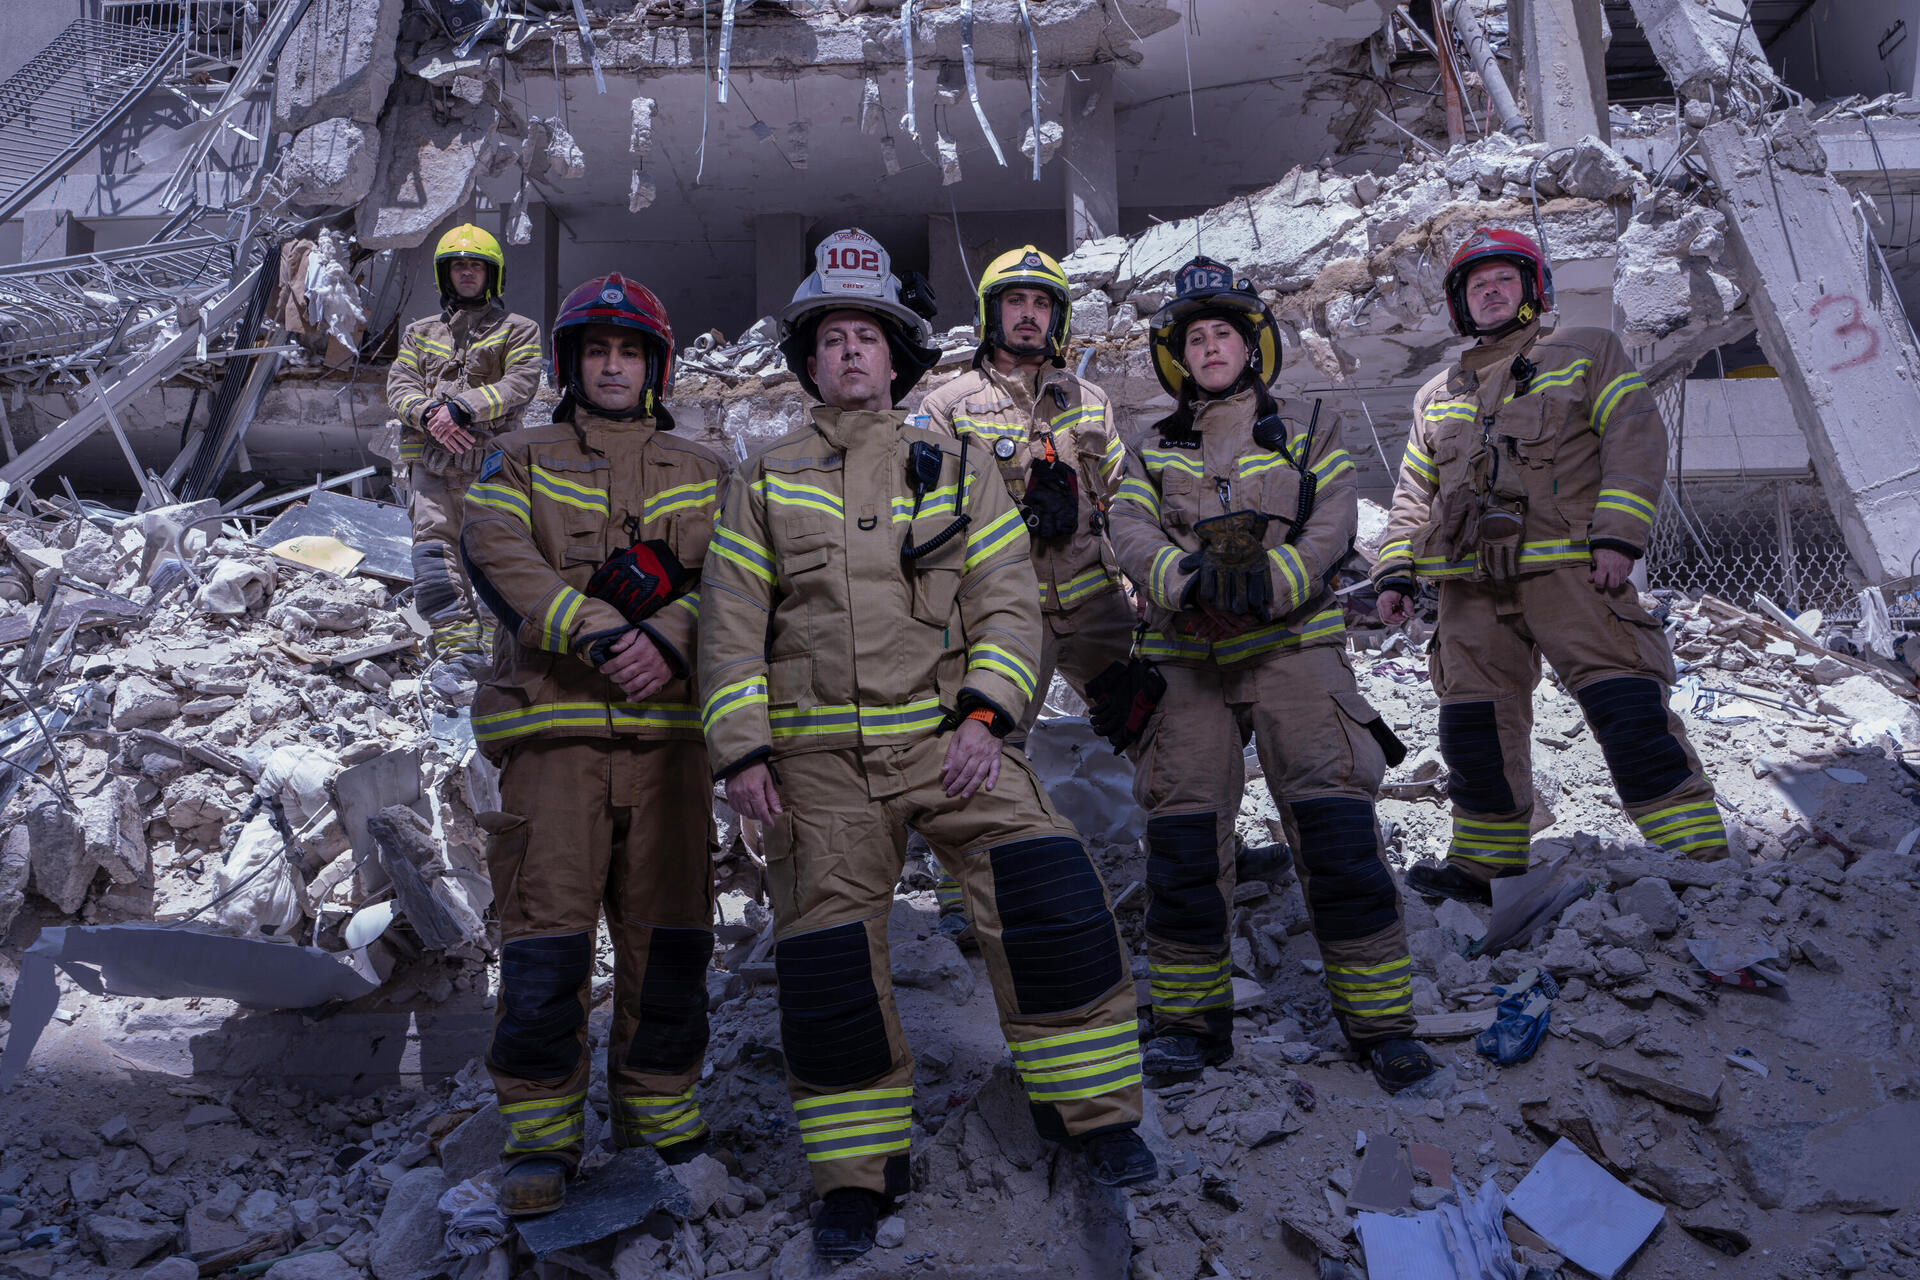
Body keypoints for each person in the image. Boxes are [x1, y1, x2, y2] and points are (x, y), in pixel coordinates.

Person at [698, 229, 1153, 1260]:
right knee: (826, 968)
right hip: (817, 769)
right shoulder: (761, 480)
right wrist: (744, 754)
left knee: (1048, 892)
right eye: (833, 337)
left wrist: (990, 715)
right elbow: (730, 626)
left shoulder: (957, 465)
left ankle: (1096, 1118)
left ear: (898, 359)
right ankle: (858, 1178)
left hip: (952, 746)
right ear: (808, 359)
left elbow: (1005, 598)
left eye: (869, 336)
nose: (852, 352)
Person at [1107, 255, 1434, 1092]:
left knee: (1335, 833)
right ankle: (1187, 1024)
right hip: (1186, 660)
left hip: (1295, 652)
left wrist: (1276, 581)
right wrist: (1182, 583)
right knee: (1182, 844)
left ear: (1252, 347)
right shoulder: (1150, 446)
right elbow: (1131, 531)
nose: (1211, 347)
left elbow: (1334, 519)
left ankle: (1381, 1025)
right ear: (1179, 358)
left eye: (1223, 333)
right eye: (1196, 337)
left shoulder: (1311, 429)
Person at [460, 274, 727, 1216]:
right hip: (554, 737)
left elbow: (742, 578)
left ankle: (659, 1109)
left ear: (654, 365)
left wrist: (670, 636)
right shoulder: (515, 457)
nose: (613, 367)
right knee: (546, 942)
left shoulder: (706, 469)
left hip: (672, 745)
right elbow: (497, 552)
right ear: (571, 364)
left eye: (631, 351)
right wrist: (599, 629)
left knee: (673, 938)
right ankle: (541, 1135)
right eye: (596, 351)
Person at [1371, 228, 1729, 906]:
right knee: (1474, 727)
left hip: (1572, 573)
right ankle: (1484, 866)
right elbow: (1414, 495)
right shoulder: (1434, 394)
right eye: (1478, 286)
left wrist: (1619, 538)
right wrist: (1396, 573)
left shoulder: (1588, 351)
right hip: (1468, 591)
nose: (1492, 291)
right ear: (1461, 306)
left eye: (1505, 279)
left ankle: (1697, 855)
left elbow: (1634, 436)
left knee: (1625, 706)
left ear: (1533, 290)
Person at [916, 245, 1135, 934]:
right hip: (1003, 610)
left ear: (1058, 317)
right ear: (991, 313)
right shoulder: (946, 405)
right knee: (987, 738)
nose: (1029, 315)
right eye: (1016, 302)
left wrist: (1141, 576)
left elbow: (1125, 501)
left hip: (1096, 600)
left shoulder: (1090, 402)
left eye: (1042, 304)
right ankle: (968, 892)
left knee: (1151, 720)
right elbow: (926, 517)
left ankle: (1182, 849)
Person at [387, 224, 545, 674]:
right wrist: (429, 416)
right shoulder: (419, 332)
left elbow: (520, 382)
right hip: (432, 467)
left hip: (493, 467)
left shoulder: (520, 329)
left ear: (491, 274)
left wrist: (462, 408)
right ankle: (459, 653)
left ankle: (503, 654)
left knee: (500, 555)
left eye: (476, 265)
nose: (468, 273)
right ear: (445, 275)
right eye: (459, 265)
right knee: (433, 556)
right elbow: (399, 386)